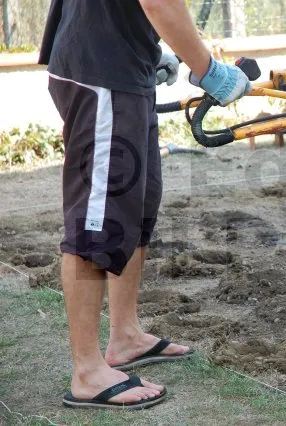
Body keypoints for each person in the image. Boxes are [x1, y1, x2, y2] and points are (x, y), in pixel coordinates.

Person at [38, 0, 251, 410]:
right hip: (102, 73)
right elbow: (159, 2)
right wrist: (209, 71)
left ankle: (126, 336)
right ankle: (87, 372)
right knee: (98, 220)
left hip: (121, 65)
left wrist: (146, 48)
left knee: (136, 205)